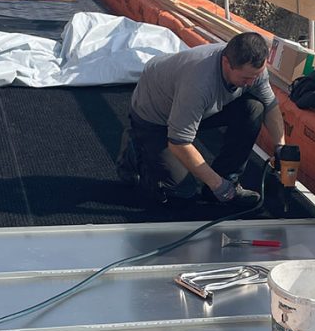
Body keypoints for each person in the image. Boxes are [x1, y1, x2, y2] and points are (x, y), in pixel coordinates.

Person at [117, 31, 285, 209]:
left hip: (192, 107)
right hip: (154, 117)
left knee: (254, 108)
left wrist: (280, 147)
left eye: (256, 76)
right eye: (246, 78)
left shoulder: (253, 69)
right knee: (181, 190)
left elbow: (270, 105)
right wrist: (218, 186)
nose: (251, 83)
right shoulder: (198, 84)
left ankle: (228, 178)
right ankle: (135, 150)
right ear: (226, 63)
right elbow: (179, 142)